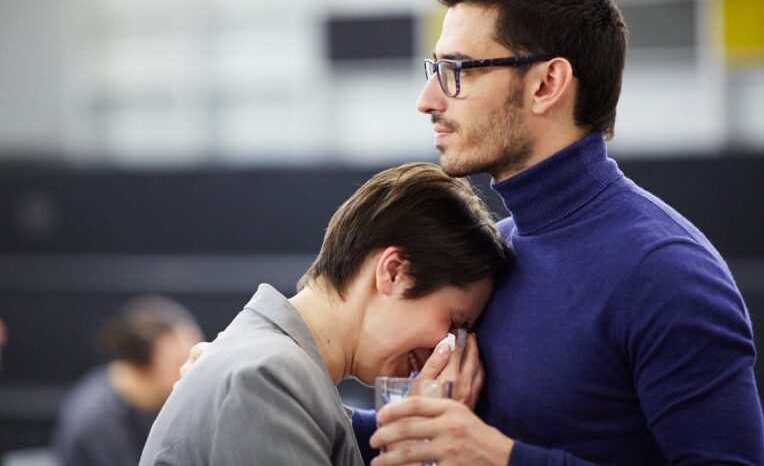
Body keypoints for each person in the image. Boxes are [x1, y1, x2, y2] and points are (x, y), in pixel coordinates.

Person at [361, 0, 764, 465]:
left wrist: (503, 458)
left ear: (547, 84)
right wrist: (276, 369)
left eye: (456, 71)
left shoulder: (666, 273)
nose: (427, 99)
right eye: (434, 70)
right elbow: (398, 438)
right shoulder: (493, 252)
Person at [139, 162, 510, 465]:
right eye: (454, 323)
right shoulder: (269, 378)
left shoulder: (273, 370)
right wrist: (422, 455)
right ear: (394, 272)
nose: (449, 350)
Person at [53, 295, 203, 466]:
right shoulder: (95, 424)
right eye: (179, 361)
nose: (192, 369)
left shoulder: (163, 402)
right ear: (140, 369)